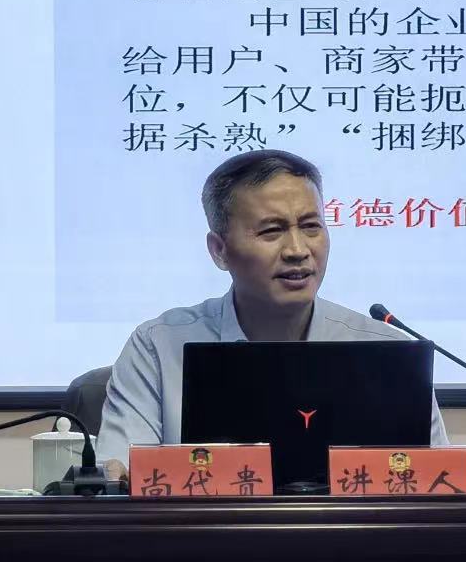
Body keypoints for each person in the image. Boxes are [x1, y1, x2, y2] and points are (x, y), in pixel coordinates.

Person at [96, 150, 448, 481]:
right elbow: (119, 481)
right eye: (271, 231)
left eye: (311, 226)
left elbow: (436, 486)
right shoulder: (158, 347)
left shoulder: (386, 349)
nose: (297, 250)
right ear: (219, 251)